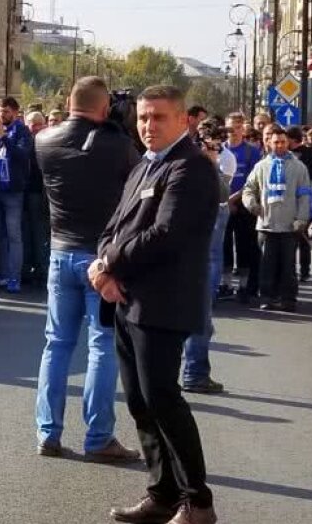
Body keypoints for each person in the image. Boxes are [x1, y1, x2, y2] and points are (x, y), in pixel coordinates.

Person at [94, 85, 220, 524]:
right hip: (128, 300)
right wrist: (105, 265)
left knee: (164, 401)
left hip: (164, 302)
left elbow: (165, 234)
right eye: (144, 117)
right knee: (140, 402)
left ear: (184, 120)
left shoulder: (191, 167)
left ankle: (197, 502)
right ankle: (162, 493)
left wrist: (108, 263)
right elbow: (115, 225)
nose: (148, 125)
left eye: (159, 117)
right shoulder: (145, 165)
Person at [34, 77, 141, 464]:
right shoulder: (120, 145)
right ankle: (98, 438)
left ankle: (48, 432)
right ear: (105, 107)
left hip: (60, 252)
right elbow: (137, 183)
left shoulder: (43, 141)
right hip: (102, 259)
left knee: (56, 345)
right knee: (101, 346)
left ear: (68, 101)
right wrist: (120, 127)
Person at [182, 122, 232, 394]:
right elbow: (221, 195)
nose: (215, 151)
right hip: (194, 255)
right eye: (211, 146)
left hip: (186, 253)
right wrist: (210, 164)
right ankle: (195, 373)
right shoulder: (194, 168)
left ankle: (184, 374)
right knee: (199, 318)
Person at [242, 125, 311, 312]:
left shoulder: (299, 167)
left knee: (288, 266)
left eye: (282, 142)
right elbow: (248, 189)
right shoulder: (261, 166)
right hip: (267, 224)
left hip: (290, 225)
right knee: (266, 265)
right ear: (269, 144)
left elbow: (305, 195)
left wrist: (302, 218)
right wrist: (252, 205)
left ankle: (288, 299)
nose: (279, 145)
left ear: (288, 143)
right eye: (276, 142)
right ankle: (267, 297)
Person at [0, 97, 32, 292]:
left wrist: (4, 138)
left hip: (12, 191)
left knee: (13, 235)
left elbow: (22, 155)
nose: (3, 115)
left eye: (7, 111)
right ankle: (1, 274)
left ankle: (14, 277)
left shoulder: (22, 131)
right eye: (1, 111)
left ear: (16, 113)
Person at [223, 112, 263, 304]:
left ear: (243, 129)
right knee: (223, 245)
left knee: (244, 245)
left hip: (243, 205)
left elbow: (251, 181)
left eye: (238, 128)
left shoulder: (251, 152)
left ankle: (244, 286)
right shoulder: (220, 149)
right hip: (222, 204)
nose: (234, 132)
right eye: (230, 128)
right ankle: (225, 284)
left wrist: (234, 199)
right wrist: (225, 200)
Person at [286, 126, 312, 282]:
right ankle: (295, 270)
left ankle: (303, 270)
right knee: (294, 237)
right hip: (292, 199)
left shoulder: (307, 153)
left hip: (304, 198)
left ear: (292, 139)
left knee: (301, 235)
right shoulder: (287, 154)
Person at [22, 110, 50, 286]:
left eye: (39, 124)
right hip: (24, 193)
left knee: (39, 233)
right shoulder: (24, 141)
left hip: (39, 193)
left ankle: (41, 269)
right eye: (33, 124)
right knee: (26, 233)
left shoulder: (46, 143)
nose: (36, 127)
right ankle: (27, 268)